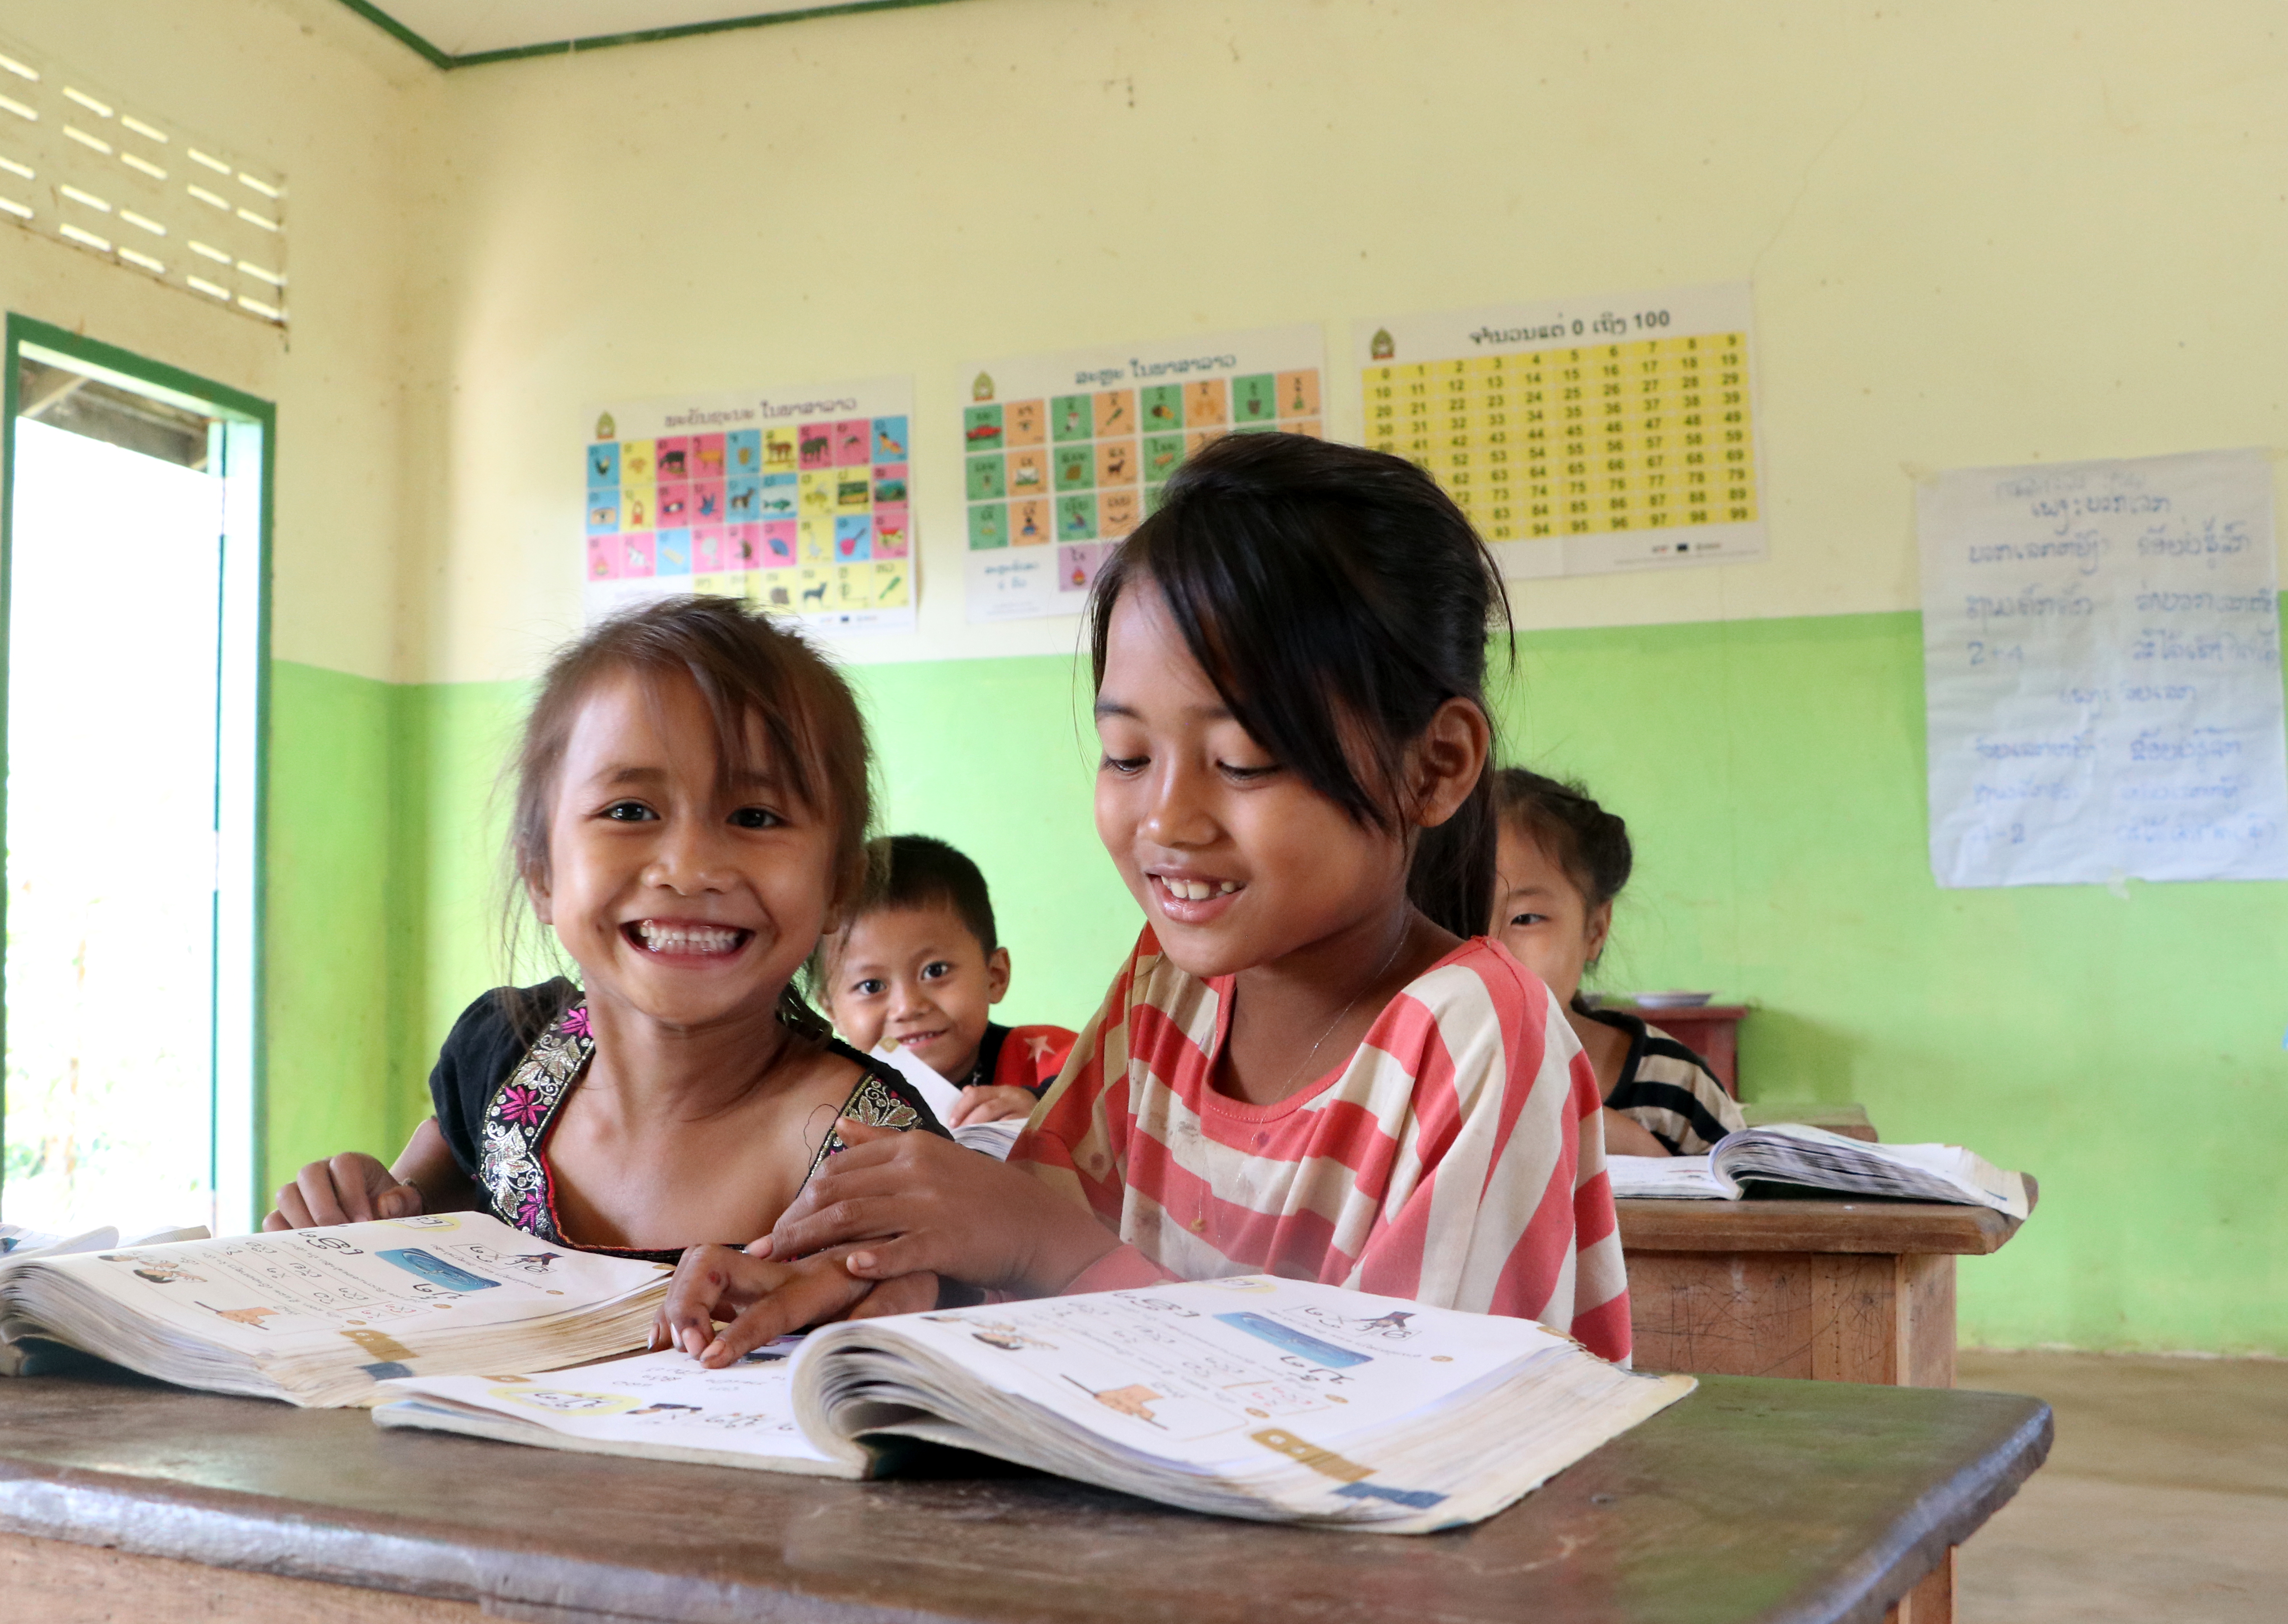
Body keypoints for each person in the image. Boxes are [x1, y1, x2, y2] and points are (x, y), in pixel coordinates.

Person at [659, 432, 1629, 1367]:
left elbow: (1396, 1429)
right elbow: (1019, 1240)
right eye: (1128, 754)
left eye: (1243, 759)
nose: (1167, 817)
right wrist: (868, 1270)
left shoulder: (1472, 1038)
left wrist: (1057, 1252)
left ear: (1437, 765)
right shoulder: (1169, 990)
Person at [263, 598, 949, 1328]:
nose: (689, 869)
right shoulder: (502, 1054)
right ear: (542, 873)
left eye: (755, 817)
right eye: (628, 811)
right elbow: (402, 1216)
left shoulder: (875, 1159)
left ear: (838, 885)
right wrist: (356, 1206)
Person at [1490, 769, 1744, 1157]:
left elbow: (1748, 1209)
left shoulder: (1676, 1085)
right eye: (1451, 919)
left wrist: (1648, 1159)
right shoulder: (1401, 1082)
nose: (1489, 949)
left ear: (1594, 930)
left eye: (1525, 918)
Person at [816, 834, 1079, 1128]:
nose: (908, 1007)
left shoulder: (1055, 1061)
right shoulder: (834, 1110)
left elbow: (1121, 1114)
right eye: (871, 986)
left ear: (995, 975)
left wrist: (1044, 1108)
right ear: (832, 1012)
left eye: (935, 971)